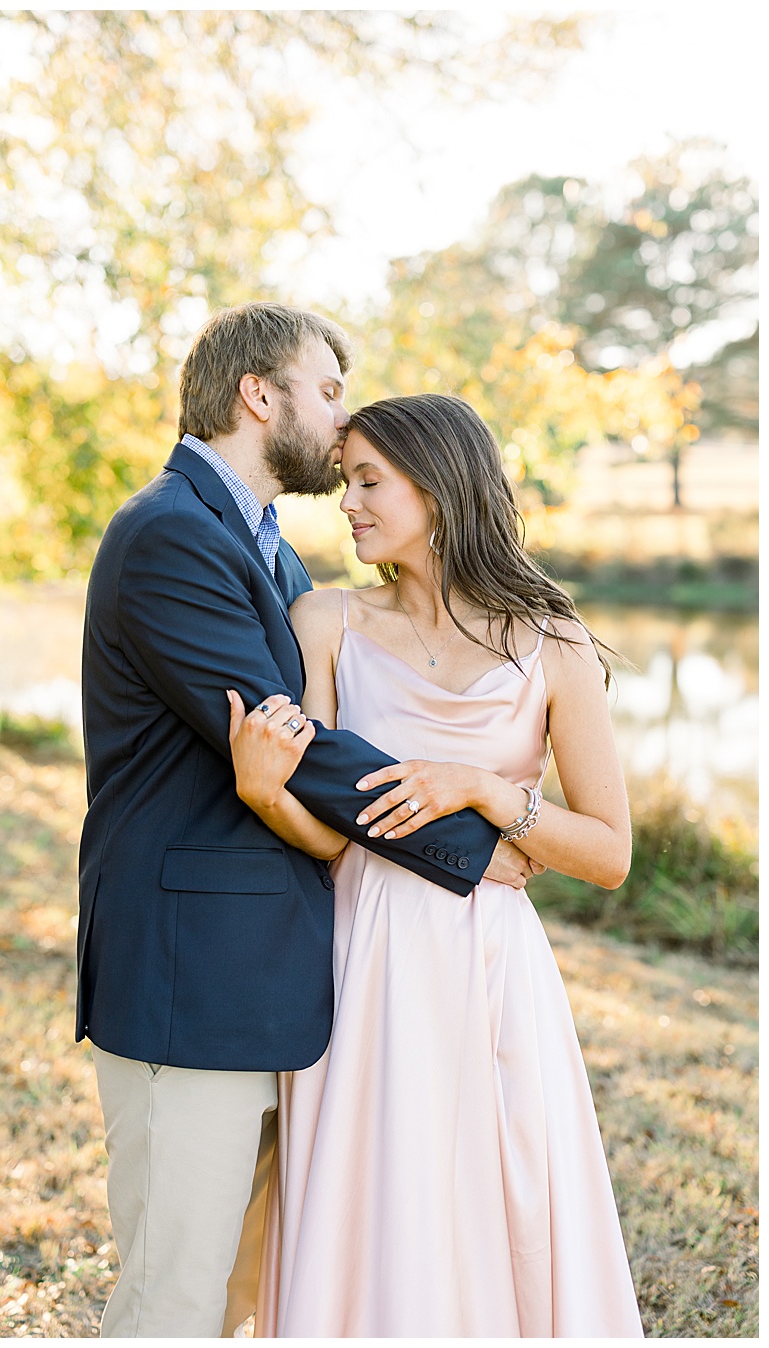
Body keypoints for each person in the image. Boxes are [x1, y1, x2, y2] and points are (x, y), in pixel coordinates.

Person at [76, 302, 542, 1337]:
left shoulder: (266, 548)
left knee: (251, 1291)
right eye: (327, 389)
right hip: (187, 976)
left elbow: (300, 752)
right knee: (173, 1293)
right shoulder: (170, 535)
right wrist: (468, 833)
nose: (341, 423)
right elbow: (295, 738)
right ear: (259, 394)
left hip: (278, 976)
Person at [227, 393, 642, 1335]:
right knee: (371, 1192)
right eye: (346, 482)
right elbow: (334, 832)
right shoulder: (325, 619)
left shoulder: (553, 641)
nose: (350, 504)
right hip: (360, 952)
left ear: (440, 485)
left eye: (370, 481)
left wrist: (493, 795)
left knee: (499, 1187)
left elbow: (611, 853)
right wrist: (264, 791)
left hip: (490, 962)